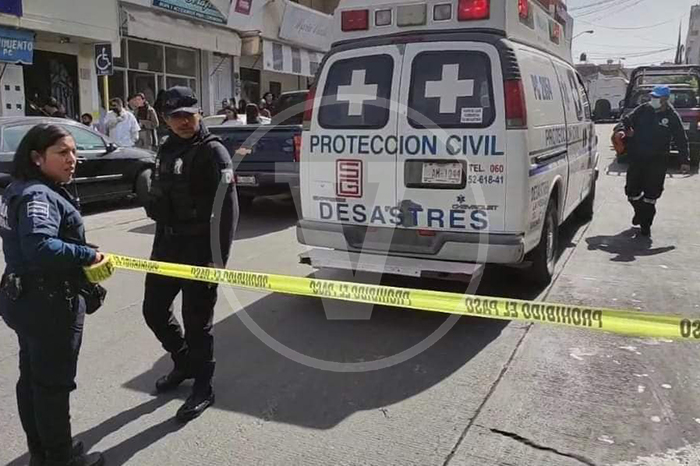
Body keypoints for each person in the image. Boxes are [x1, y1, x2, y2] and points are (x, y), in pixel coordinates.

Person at [0, 125, 105, 466]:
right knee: (52, 387)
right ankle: (60, 458)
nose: (72, 159)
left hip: (23, 298)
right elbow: (40, 246)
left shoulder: (19, 188)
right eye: (62, 152)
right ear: (37, 157)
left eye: (74, 151)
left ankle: (42, 452)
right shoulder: (37, 196)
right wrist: (87, 255)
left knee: (33, 379)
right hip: (48, 303)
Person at [143, 86, 238, 422]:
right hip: (167, 246)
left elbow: (227, 209)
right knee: (154, 311)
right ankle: (183, 361)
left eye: (188, 115)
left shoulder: (213, 152)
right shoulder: (166, 148)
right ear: (166, 119)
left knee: (197, 324)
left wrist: (218, 258)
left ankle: (203, 386)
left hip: (200, 249)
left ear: (199, 113)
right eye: (175, 116)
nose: (183, 122)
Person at [620, 85, 690, 237]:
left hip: (658, 160)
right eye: (652, 96)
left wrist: (684, 160)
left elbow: (680, 139)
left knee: (651, 196)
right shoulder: (643, 109)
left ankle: (646, 225)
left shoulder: (671, 116)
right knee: (631, 192)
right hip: (638, 158)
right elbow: (625, 120)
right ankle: (640, 212)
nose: (653, 99)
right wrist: (625, 130)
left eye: (657, 97)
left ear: (665, 99)